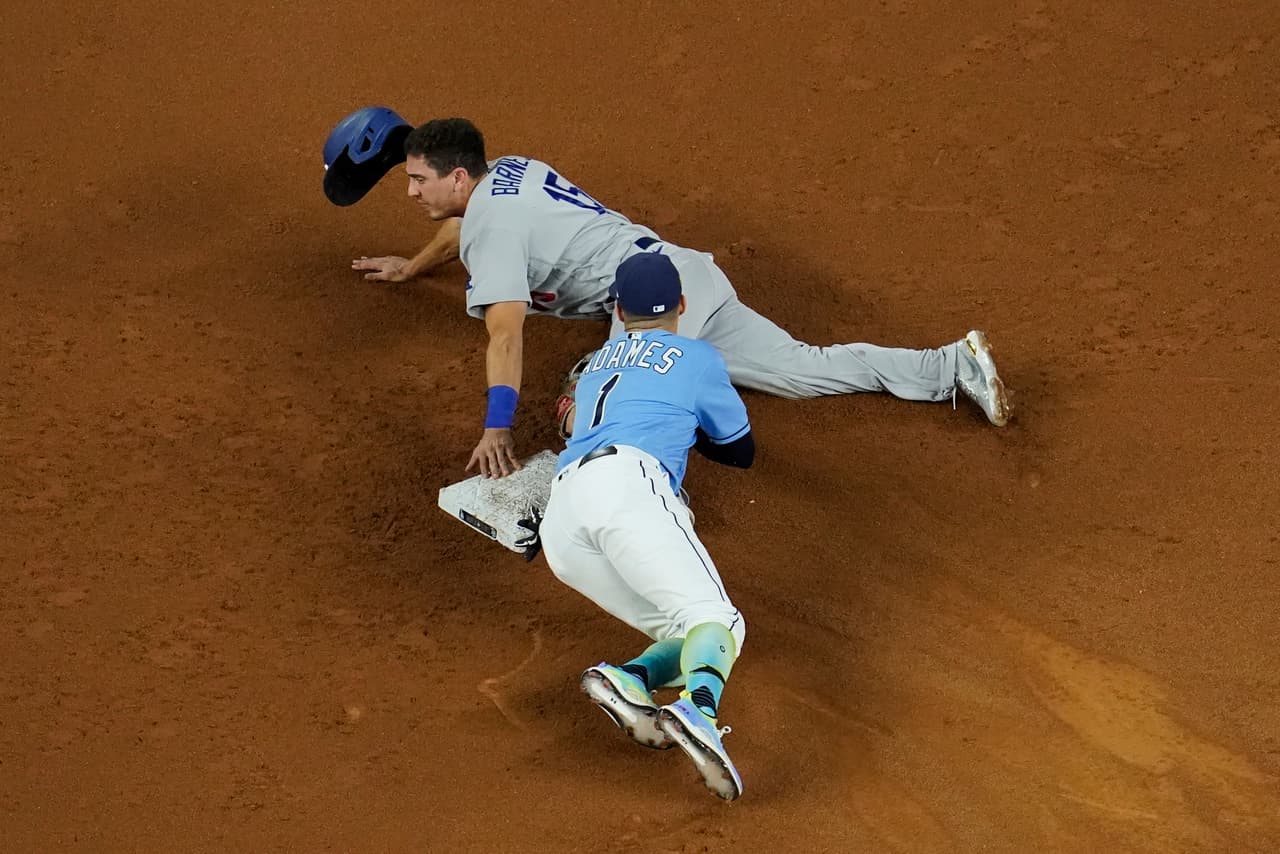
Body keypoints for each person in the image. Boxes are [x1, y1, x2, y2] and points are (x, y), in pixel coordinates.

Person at [331, 114, 1011, 478]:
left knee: (592, 405)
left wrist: (497, 425)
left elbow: (505, 333)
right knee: (805, 368)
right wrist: (413, 267)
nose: (411, 192)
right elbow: (463, 227)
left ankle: (609, 504)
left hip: (650, 312)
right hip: (686, 279)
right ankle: (952, 364)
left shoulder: (492, 234)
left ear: (456, 177)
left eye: (418, 181)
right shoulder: (508, 172)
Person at [529, 250, 755, 801]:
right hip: (628, 485)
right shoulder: (696, 357)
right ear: (681, 305)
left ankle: (630, 677)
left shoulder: (599, 361)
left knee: (687, 634)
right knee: (719, 620)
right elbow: (740, 451)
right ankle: (700, 711)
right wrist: (686, 421)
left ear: (617, 309)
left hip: (562, 515)